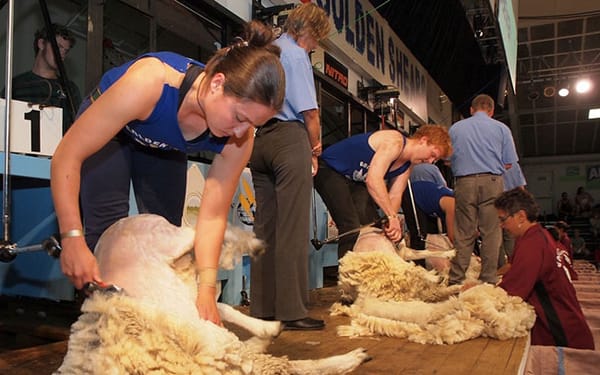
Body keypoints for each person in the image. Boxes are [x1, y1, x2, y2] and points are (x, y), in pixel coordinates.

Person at [50, 21, 286, 327]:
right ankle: (103, 335)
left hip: (162, 142)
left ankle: (152, 326)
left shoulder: (240, 136)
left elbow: (213, 216)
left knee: (167, 240)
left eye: (252, 125)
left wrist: (207, 292)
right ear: (216, 84)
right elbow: (66, 156)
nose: (241, 131)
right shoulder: (149, 83)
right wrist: (71, 238)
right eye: (239, 117)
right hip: (115, 131)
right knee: (103, 236)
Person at [249, 3, 331, 331]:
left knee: (265, 228)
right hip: (289, 138)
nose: (314, 46)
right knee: (293, 228)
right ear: (307, 31)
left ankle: (263, 308)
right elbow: (310, 113)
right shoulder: (296, 55)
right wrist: (315, 148)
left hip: (261, 140)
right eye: (316, 40)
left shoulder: (268, 49)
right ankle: (292, 310)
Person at [314, 125, 453, 258]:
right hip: (329, 169)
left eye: (435, 160)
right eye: (432, 154)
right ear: (424, 140)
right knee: (351, 225)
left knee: (374, 226)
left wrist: (390, 223)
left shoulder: (407, 166)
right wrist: (392, 217)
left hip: (354, 180)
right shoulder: (395, 141)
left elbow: (395, 194)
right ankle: (348, 274)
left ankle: (371, 270)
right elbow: (373, 179)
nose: (430, 161)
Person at [494, 188, 594, 349]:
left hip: (562, 334)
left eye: (503, 219)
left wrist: (479, 293)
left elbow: (511, 292)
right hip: (565, 324)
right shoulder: (534, 236)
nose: (501, 226)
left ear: (521, 216)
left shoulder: (532, 244)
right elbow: (512, 267)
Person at [448, 93, 518, 286]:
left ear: (471, 110)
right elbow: (509, 164)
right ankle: (488, 279)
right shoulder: (502, 129)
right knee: (491, 233)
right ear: (492, 111)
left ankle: (455, 280)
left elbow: (446, 159)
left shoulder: (456, 128)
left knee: (464, 233)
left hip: (464, 182)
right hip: (492, 182)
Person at [5, 23, 81, 128]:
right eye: (58, 47)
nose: (62, 54)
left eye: (65, 51)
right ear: (41, 44)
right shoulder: (16, 86)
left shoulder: (69, 89)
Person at [401, 162, 454, 252]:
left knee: (427, 232)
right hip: (413, 196)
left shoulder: (413, 167)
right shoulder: (453, 206)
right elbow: (452, 234)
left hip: (426, 196)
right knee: (419, 234)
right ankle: (418, 262)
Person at [498, 162, 527, 268]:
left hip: (495, 202)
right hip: (510, 205)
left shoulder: (488, 160)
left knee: (495, 238)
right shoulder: (514, 165)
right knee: (510, 237)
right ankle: (513, 266)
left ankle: (503, 267)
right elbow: (521, 188)